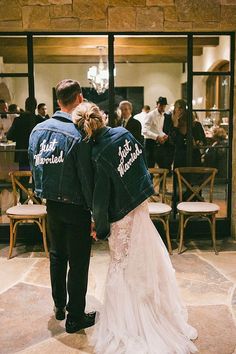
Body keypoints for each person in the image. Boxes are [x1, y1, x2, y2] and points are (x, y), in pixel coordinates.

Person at [72, 102, 198, 354]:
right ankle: (152, 309)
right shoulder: (125, 134)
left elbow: (100, 196)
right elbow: (140, 160)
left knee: (122, 265)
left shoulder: (98, 152)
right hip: (139, 207)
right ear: (101, 118)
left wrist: (100, 226)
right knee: (144, 260)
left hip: (121, 215)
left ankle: (129, 323)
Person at [28, 80, 95, 333]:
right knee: (78, 262)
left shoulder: (37, 131)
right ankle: (75, 317)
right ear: (79, 99)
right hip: (77, 206)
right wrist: (93, 211)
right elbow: (85, 177)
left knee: (57, 257)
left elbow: (35, 168)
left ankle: (59, 306)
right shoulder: (79, 133)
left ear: (58, 102)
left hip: (52, 205)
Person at [171, 99, 206, 168]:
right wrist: (175, 125)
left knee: (193, 177)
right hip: (180, 159)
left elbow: (203, 141)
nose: (180, 111)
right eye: (178, 108)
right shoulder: (173, 126)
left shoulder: (196, 125)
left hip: (193, 157)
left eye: (182, 108)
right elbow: (172, 142)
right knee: (179, 177)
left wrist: (198, 143)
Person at [143, 96, 174, 170]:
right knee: (150, 167)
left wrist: (164, 135)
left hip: (158, 144)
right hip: (150, 143)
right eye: (161, 105)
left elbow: (159, 129)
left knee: (163, 166)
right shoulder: (150, 115)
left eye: (164, 105)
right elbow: (144, 130)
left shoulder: (163, 116)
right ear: (157, 104)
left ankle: (162, 181)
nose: (162, 107)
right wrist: (157, 137)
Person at [7, 97, 38, 171]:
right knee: (38, 178)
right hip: (37, 153)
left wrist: (19, 138)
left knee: (24, 178)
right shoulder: (39, 120)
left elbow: (9, 136)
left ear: (25, 106)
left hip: (22, 153)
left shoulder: (18, 120)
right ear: (36, 107)